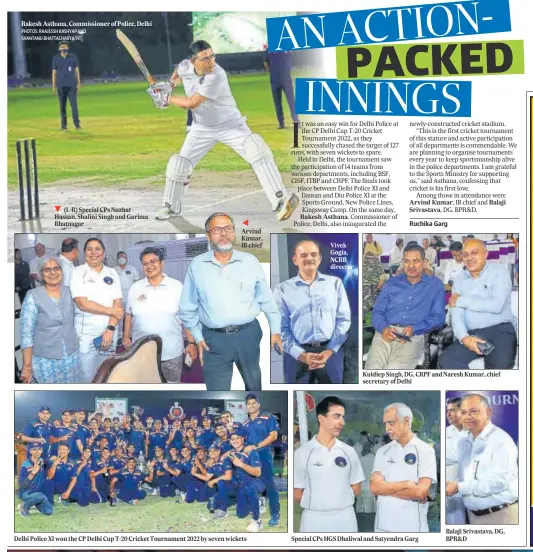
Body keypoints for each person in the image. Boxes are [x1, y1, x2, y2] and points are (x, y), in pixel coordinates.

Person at [150, 40, 299, 222]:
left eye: (212, 56)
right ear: (193, 61)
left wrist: (167, 98)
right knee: (179, 165)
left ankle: (281, 201)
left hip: (230, 125)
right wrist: (169, 85)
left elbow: (191, 103)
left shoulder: (216, 75)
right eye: (205, 58)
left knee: (257, 150)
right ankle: (171, 208)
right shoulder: (184, 66)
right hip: (201, 128)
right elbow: (178, 73)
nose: (211, 61)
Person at [179, 213, 282, 390]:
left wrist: (276, 331)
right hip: (213, 340)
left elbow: (267, 300)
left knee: (254, 389)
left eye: (228, 228)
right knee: (217, 395)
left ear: (234, 232)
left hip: (248, 335)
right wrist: (197, 336)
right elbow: (187, 307)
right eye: (217, 230)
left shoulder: (250, 261)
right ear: (208, 235)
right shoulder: (197, 265)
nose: (224, 233)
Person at [274, 240, 351, 384]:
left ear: (319, 259)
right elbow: (280, 327)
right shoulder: (282, 290)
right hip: (296, 355)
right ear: (295, 260)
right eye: (303, 255)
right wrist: (302, 355)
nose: (309, 258)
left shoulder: (335, 283)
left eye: (313, 254)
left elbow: (344, 319)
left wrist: (330, 351)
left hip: (331, 351)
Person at [439, 239, 517, 370]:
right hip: (472, 333)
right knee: (447, 360)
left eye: (474, 253)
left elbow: (496, 305)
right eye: (465, 254)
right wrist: (464, 337)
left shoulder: (499, 272)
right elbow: (456, 314)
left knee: (498, 368)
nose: (469, 258)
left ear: (485, 254)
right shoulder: (459, 278)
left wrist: (461, 300)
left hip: (500, 330)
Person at [123, 246, 197, 383]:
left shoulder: (177, 287)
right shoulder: (135, 288)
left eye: (153, 261)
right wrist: (126, 335)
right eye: (145, 263)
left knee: (171, 387)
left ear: (162, 263)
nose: (149, 266)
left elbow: (186, 318)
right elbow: (128, 313)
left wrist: (191, 342)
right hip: (141, 352)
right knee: (145, 386)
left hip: (171, 353)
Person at [366, 244, 445, 369]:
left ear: (424, 262)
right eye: (407, 261)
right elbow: (377, 312)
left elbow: (439, 318)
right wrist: (383, 328)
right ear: (403, 262)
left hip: (413, 336)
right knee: (372, 369)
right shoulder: (391, 283)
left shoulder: (435, 285)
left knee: (394, 370)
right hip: (385, 333)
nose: (411, 265)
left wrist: (415, 328)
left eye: (416, 261)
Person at [294, 396, 364, 532]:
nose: (342, 422)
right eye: (337, 416)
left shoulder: (349, 451)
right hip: (314, 521)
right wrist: (321, 503)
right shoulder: (302, 453)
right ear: (321, 418)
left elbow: (357, 486)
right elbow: (297, 493)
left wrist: (337, 500)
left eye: (343, 417)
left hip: (345, 519)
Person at [445, 394, 518, 524]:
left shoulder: (501, 440)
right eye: (463, 412)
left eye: (474, 411)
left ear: (488, 412)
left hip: (500, 516)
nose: (468, 416)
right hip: (473, 517)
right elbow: (467, 478)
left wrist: (459, 487)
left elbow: (499, 482)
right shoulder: (463, 442)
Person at [370, 403, 437, 532]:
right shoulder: (382, 451)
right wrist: (407, 484)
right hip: (382, 529)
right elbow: (374, 487)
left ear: (406, 421)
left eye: (391, 423)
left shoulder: (426, 451)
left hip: (413, 530)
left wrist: (385, 488)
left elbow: (422, 492)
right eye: (385, 424)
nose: (387, 429)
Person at [19, 257, 81, 383]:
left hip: (71, 357)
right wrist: (27, 366)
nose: (53, 272)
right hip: (45, 361)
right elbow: (26, 334)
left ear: (61, 272)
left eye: (56, 268)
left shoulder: (70, 291)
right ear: (42, 274)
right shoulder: (32, 296)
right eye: (47, 270)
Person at [70, 238, 124, 382]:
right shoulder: (77, 272)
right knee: (88, 377)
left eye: (98, 249)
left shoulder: (112, 272)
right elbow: (83, 303)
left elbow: (117, 302)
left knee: (107, 373)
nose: (94, 252)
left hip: (109, 332)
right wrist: (111, 311)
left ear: (104, 253)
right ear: (84, 253)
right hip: (86, 335)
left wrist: (110, 329)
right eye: (89, 249)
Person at [242, 394, 281, 527]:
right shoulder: (245, 423)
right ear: (246, 407)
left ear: (258, 404)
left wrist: (257, 446)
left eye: (254, 403)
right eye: (249, 403)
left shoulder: (267, 417)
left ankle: (275, 514)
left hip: (263, 454)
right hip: (250, 457)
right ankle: (257, 506)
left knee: (269, 484)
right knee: (250, 484)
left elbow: (274, 435)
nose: (251, 405)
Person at [228, 432, 266, 532]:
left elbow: (257, 473)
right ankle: (257, 502)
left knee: (249, 487)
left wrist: (241, 464)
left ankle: (256, 520)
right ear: (230, 441)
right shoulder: (231, 454)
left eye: (237, 438)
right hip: (242, 485)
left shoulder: (250, 451)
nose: (235, 441)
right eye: (232, 439)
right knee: (241, 514)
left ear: (242, 439)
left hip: (255, 482)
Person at [263, 49, 299, 129]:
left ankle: (296, 121)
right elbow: (265, 61)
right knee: (278, 102)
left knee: (291, 101)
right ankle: (281, 122)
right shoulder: (269, 50)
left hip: (285, 78)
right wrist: (271, 71)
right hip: (275, 79)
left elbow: (290, 57)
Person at [445, 397, 467, 524]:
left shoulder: (473, 431)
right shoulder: (445, 432)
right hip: (451, 491)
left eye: (452, 410)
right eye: (448, 410)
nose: (448, 414)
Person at [17, 444, 54, 518]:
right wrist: (32, 473)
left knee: (49, 511)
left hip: (38, 493)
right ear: (30, 451)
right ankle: (23, 506)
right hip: (25, 493)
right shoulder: (25, 465)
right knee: (41, 496)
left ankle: (34, 503)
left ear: (42, 451)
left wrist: (54, 459)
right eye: (34, 449)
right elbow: (21, 486)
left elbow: (52, 462)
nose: (37, 451)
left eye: (39, 449)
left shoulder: (42, 461)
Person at [52, 41, 81, 130]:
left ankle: (77, 125)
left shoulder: (72, 57)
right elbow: (54, 73)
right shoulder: (56, 58)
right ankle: (63, 126)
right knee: (62, 106)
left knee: (74, 105)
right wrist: (54, 86)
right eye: (62, 47)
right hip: (61, 85)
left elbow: (76, 71)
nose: (63, 48)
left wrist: (78, 83)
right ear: (59, 49)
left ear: (67, 48)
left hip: (72, 85)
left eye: (65, 47)